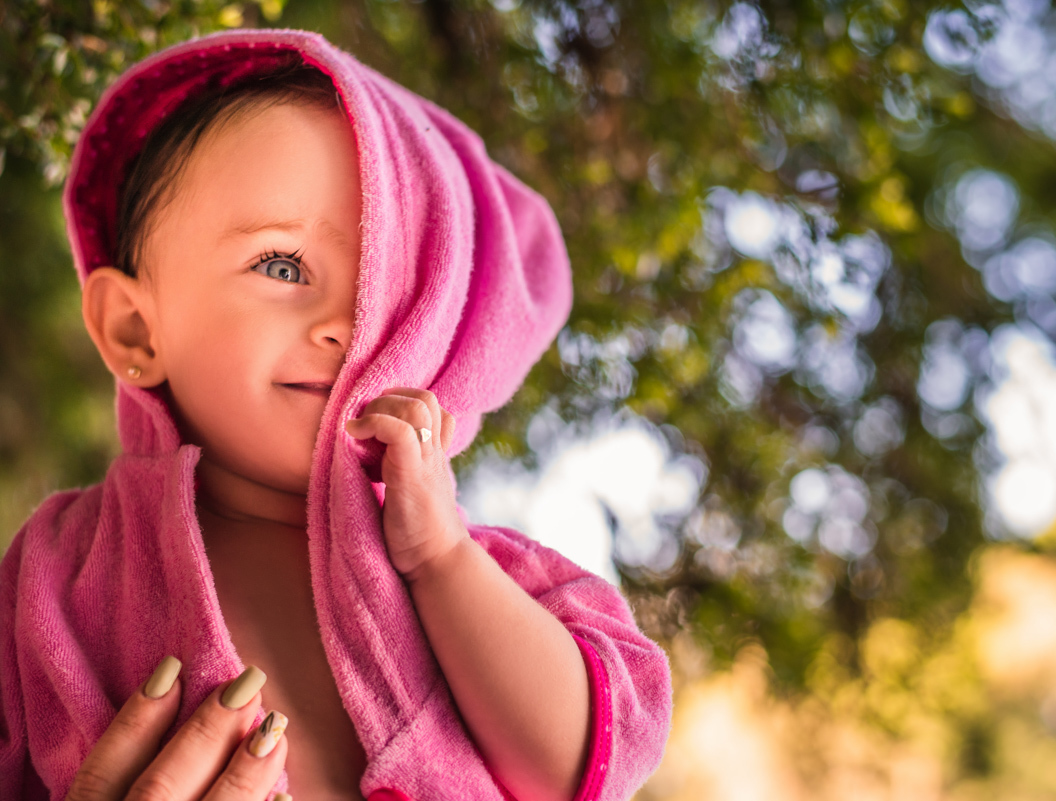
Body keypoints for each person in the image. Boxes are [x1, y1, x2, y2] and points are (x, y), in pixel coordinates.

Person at [0, 28, 673, 801]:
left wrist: (444, 561)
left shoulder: (482, 573)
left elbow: (581, 762)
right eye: (282, 265)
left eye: (386, 297)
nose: (346, 328)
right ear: (134, 329)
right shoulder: (53, 574)